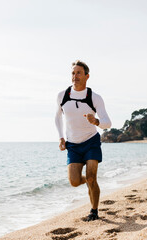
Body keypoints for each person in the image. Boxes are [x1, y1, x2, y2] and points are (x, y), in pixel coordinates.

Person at [55, 60, 111, 221]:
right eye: (73, 73)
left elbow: (108, 122)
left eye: (79, 73)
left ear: (87, 76)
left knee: (92, 176)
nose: (75, 76)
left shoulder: (94, 97)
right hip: (73, 144)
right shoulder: (62, 96)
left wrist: (97, 122)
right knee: (74, 181)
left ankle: (94, 211)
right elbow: (57, 117)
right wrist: (61, 137)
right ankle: (89, 180)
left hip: (91, 141)